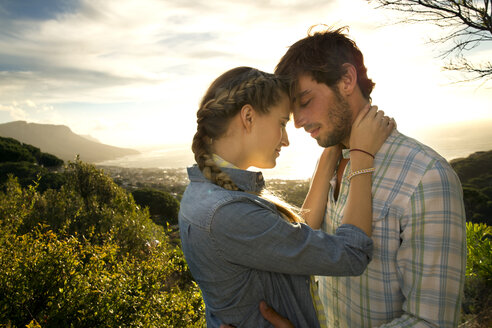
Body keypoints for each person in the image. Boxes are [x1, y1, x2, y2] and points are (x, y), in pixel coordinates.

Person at [266, 27, 467, 327]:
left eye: (305, 101)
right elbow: (304, 241)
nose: (297, 123)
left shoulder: (426, 176)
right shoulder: (330, 161)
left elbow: (430, 321)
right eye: (293, 110)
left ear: (347, 79)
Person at [178, 66, 395, 327]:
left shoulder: (203, 194)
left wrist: (329, 153)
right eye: (282, 123)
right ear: (248, 117)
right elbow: (352, 254)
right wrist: (362, 155)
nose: (286, 140)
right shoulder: (228, 212)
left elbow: (291, 237)